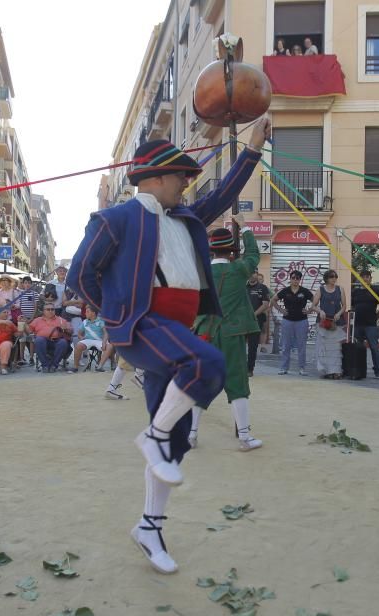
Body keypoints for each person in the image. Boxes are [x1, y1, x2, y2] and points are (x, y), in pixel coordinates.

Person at [68, 119, 270, 575]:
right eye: (180, 176)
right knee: (209, 362)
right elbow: (78, 275)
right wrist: (117, 313)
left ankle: (149, 526)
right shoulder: (115, 218)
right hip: (142, 325)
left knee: (176, 445)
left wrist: (253, 149)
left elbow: (225, 193)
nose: (187, 183)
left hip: (174, 329)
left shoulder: (186, 218)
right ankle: (153, 437)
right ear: (155, 178)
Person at [189, 223, 264, 451]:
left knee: (201, 382)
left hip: (205, 332)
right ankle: (244, 437)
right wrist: (247, 228)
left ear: (212, 250)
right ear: (231, 251)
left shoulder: (200, 271)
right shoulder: (239, 269)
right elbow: (253, 254)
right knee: (237, 382)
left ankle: (191, 435)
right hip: (232, 332)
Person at [269, 270, 314, 375]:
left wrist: (309, 311)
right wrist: (281, 311)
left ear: (300, 279)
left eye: (297, 278)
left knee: (301, 346)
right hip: (287, 321)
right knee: (285, 345)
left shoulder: (304, 291)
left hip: (302, 321)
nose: (295, 280)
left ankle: (302, 368)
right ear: (290, 279)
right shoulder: (285, 291)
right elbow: (273, 300)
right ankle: (284, 368)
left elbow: (315, 301)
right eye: (293, 278)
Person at [350, 269, 379, 378]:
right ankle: (360, 370)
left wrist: (377, 316)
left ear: (370, 278)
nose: (365, 279)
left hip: (371, 325)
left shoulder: (376, 290)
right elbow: (351, 307)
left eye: (367, 277)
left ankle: (378, 371)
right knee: (359, 348)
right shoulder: (355, 291)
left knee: (374, 348)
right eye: (363, 277)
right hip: (358, 324)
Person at [312, 269, 345, 378]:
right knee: (324, 346)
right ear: (326, 278)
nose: (334, 279)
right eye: (331, 277)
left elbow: (344, 306)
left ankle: (335, 371)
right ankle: (326, 371)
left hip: (336, 321)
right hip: (324, 321)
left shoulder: (340, 289)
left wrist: (339, 313)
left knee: (335, 348)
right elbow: (313, 305)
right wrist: (320, 311)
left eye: (335, 277)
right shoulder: (321, 289)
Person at [28, 303, 72, 372]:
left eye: (52, 309)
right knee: (39, 340)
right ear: (43, 311)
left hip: (57, 341)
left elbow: (71, 331)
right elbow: (28, 331)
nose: (50, 311)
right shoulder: (37, 320)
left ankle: (54, 365)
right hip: (42, 341)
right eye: (48, 309)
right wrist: (23, 323)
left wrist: (66, 329)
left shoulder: (61, 320)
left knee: (63, 342)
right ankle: (45, 365)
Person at [246, 271, 272, 375]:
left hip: (256, 320)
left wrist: (254, 314)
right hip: (241, 321)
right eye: (250, 273)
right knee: (238, 346)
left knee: (253, 346)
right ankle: (239, 368)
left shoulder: (263, 288)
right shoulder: (242, 287)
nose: (252, 275)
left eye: (254, 273)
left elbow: (265, 304)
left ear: (257, 274)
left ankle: (249, 369)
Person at [73, 304, 112, 371]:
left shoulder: (101, 321)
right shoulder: (85, 321)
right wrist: (81, 338)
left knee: (110, 346)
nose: (85, 313)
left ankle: (99, 366)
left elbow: (106, 333)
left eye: (87, 311)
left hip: (99, 341)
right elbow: (79, 333)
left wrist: (104, 342)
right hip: (88, 340)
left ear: (93, 313)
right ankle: (75, 367)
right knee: (78, 345)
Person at [15, 276, 39, 365]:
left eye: (29, 283)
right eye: (25, 283)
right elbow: (19, 306)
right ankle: (22, 358)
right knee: (22, 339)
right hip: (22, 319)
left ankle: (31, 358)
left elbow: (35, 307)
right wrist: (23, 318)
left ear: (31, 284)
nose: (27, 284)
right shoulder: (19, 294)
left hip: (32, 319)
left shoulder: (34, 294)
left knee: (31, 339)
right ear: (23, 284)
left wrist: (32, 318)